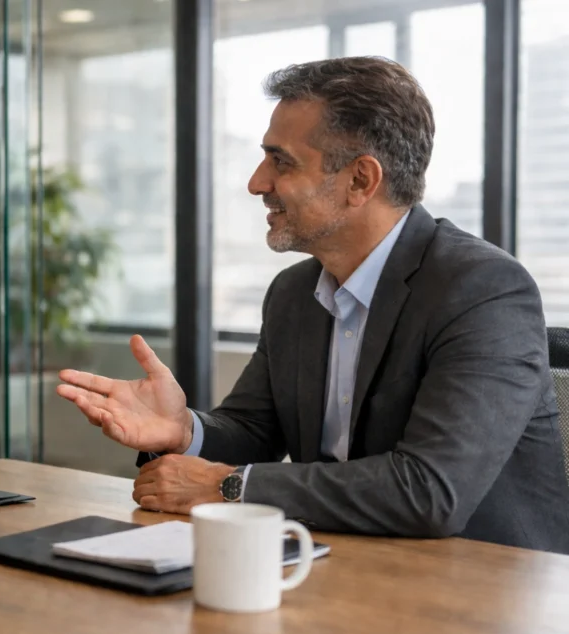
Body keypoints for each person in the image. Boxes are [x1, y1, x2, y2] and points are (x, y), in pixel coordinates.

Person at [57, 56, 569, 552]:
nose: (257, 182)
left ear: (360, 181)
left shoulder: (484, 290)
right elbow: (255, 432)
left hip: (485, 600)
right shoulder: (294, 293)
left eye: (281, 161)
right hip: (339, 567)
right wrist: (185, 430)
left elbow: (430, 491)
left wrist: (231, 487)